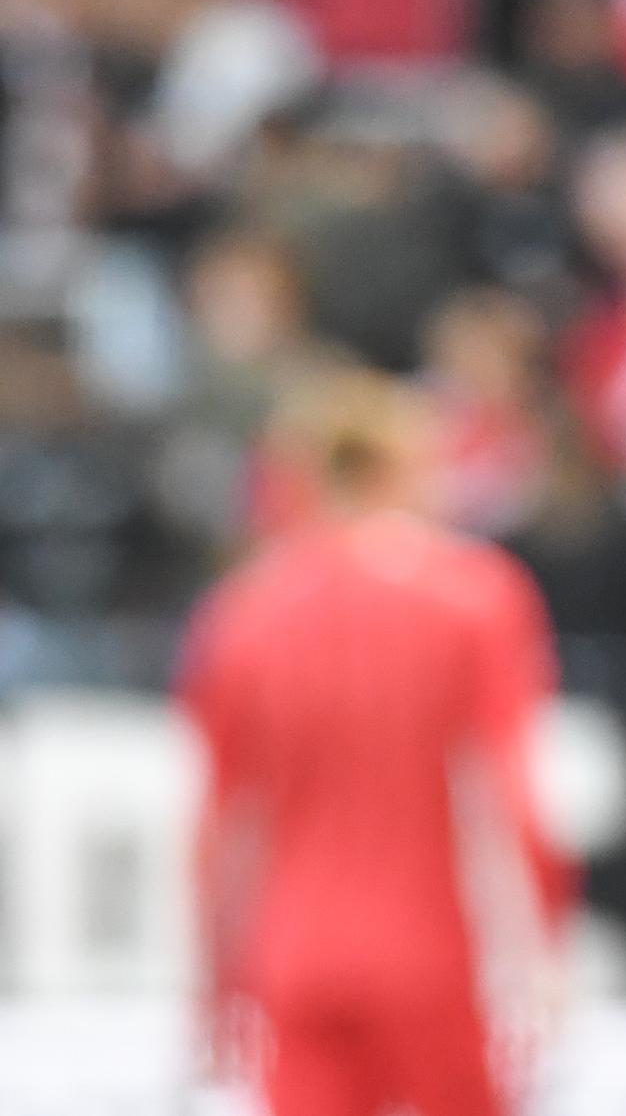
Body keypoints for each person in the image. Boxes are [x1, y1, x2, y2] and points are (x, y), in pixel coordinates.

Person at [178, 367, 573, 1116]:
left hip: (295, 955)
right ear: (410, 467)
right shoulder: (477, 596)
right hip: (432, 952)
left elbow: (221, 827)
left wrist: (211, 986)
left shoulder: (245, 613)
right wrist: (543, 950)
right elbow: (513, 795)